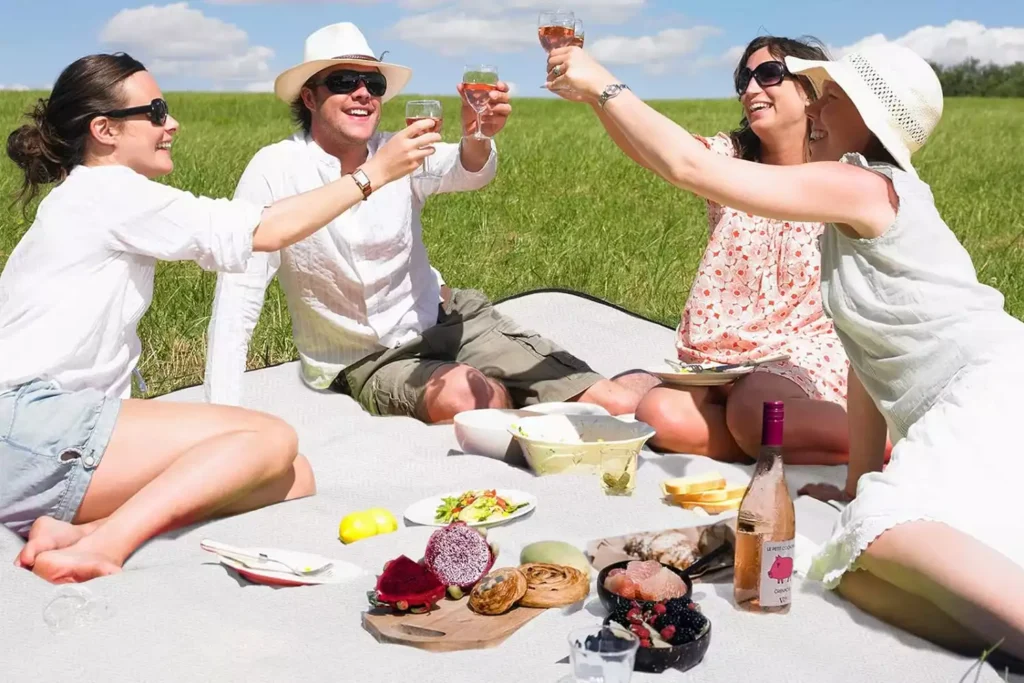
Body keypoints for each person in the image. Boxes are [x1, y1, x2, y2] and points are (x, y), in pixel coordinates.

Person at [545, 43, 1024, 662]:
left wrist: (601, 83)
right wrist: (856, 482)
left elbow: (691, 167)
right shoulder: (848, 208)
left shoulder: (864, 184)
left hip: (986, 385)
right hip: (957, 397)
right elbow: (865, 360)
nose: (816, 107)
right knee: (855, 574)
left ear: (871, 116)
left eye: (830, 96)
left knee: (880, 537)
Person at [0, 52, 441, 583]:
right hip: (26, 422)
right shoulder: (106, 191)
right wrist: (372, 174)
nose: (172, 124)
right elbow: (265, 231)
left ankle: (76, 532)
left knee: (291, 476)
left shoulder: (91, 195)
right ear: (104, 130)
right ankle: (104, 545)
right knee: (270, 440)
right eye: (157, 112)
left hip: (48, 429)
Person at [203, 23, 640, 424]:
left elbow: (468, 170)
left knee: (614, 404)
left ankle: (588, 388)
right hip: (369, 359)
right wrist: (221, 416)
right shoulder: (276, 168)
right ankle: (516, 403)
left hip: (448, 320)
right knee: (470, 400)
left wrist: (477, 134)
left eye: (372, 83)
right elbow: (238, 296)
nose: (363, 93)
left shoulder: (396, 147)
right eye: (342, 82)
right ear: (310, 97)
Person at [606, 36, 855, 466]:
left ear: (810, 86)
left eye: (769, 74)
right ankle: (772, 443)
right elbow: (659, 153)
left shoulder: (839, 171)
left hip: (801, 350)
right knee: (657, 414)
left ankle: (885, 445)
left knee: (757, 410)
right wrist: (597, 97)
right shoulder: (731, 160)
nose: (751, 89)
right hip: (722, 358)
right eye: (745, 78)